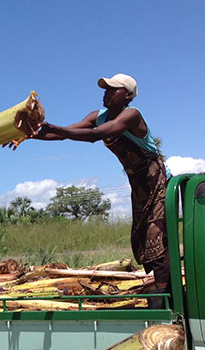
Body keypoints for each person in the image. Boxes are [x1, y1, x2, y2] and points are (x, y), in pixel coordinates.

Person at [32, 73, 171, 302]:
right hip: (138, 187)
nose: (105, 93)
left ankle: (166, 297)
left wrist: (55, 128)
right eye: (105, 89)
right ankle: (161, 290)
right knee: (141, 240)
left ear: (126, 95)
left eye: (111, 89)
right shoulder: (98, 116)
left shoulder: (132, 116)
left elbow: (95, 136)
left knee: (156, 239)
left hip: (156, 182)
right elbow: (63, 135)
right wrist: (28, 135)